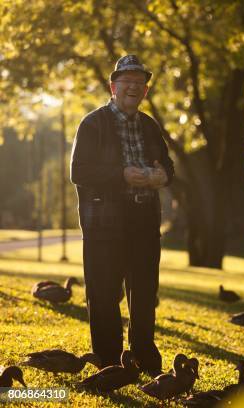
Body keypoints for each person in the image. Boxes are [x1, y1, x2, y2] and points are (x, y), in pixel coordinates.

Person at [70, 55, 174, 376]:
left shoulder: (149, 126)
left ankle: (144, 357)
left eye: (139, 83)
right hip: (104, 224)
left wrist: (162, 177)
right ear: (113, 87)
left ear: (144, 91)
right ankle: (109, 363)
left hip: (144, 220)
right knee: (102, 294)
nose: (133, 87)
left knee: (144, 293)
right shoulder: (93, 123)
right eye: (126, 82)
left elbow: (168, 167)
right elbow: (79, 171)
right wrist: (121, 174)